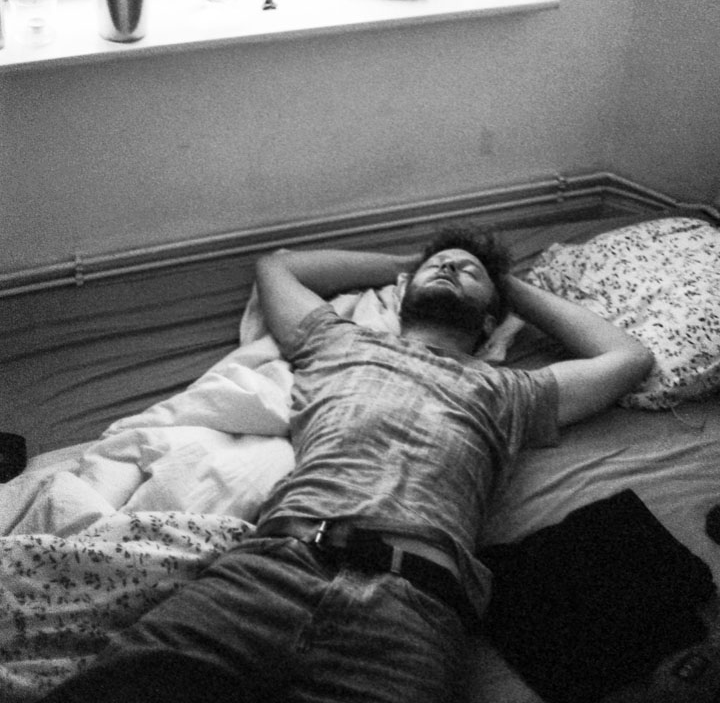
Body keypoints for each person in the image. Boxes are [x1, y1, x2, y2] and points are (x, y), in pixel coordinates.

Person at [40, 225, 653, 703]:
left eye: (468, 273)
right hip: (269, 572)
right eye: (440, 264)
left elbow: (627, 358)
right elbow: (277, 266)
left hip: (411, 611)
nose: (452, 266)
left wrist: (505, 280)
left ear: (491, 319)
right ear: (404, 293)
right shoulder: (338, 340)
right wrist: (414, 263)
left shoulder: (508, 391)